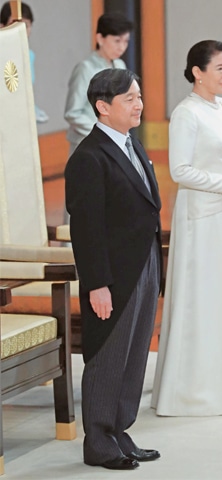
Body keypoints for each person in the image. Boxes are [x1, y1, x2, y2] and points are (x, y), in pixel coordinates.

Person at [151, 40, 222, 416]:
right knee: (203, 292)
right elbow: (181, 170)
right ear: (197, 72)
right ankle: (193, 390)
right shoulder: (186, 113)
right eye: (219, 68)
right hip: (201, 213)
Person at [65, 68, 162, 470]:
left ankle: (121, 429)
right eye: (129, 99)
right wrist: (97, 284)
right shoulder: (88, 158)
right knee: (108, 355)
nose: (138, 105)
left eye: (139, 96)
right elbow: (86, 230)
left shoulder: (132, 145)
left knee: (136, 351)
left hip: (143, 262)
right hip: (112, 274)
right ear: (103, 107)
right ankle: (99, 442)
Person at [64, 12, 133, 155]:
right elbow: (73, 113)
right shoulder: (85, 69)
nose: (122, 47)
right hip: (88, 143)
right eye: (117, 41)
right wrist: (103, 132)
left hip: (115, 142)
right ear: (100, 38)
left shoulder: (120, 65)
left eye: (126, 41)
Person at [0, 1, 48, 122]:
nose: (20, 31)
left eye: (25, 26)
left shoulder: (29, 55)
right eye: (13, 25)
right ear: (2, 26)